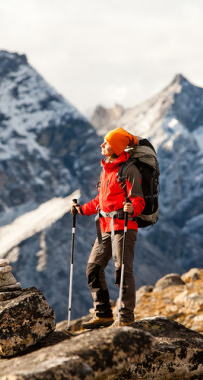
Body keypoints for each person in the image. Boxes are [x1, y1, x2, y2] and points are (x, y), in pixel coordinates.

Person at [72, 127, 145, 328]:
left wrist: (133, 207)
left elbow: (139, 200)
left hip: (124, 227)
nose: (102, 145)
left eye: (106, 143)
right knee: (93, 269)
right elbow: (101, 200)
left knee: (123, 271)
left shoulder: (129, 169)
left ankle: (126, 317)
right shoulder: (107, 168)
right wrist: (82, 210)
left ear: (117, 148)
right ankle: (103, 314)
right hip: (105, 227)